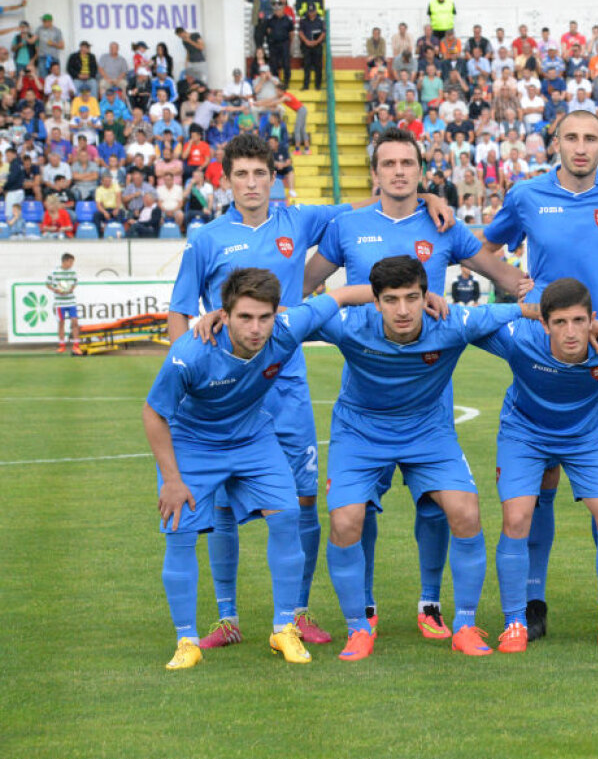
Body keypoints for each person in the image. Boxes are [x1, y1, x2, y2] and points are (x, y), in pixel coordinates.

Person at [167, 134, 392, 649]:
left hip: (285, 385)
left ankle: (296, 613)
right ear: (225, 181)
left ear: (274, 179)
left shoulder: (298, 221)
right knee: (223, 503)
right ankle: (227, 618)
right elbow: (180, 309)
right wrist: (185, 372)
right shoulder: (206, 239)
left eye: (260, 174)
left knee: (302, 499)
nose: (251, 184)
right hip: (225, 388)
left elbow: (361, 206)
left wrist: (427, 201)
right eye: (241, 175)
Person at [302, 127, 517, 637]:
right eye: (389, 164)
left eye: (408, 164)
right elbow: (303, 286)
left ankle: (430, 604)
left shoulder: (444, 225)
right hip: (369, 382)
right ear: (375, 174)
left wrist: (563, 305)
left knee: (438, 504)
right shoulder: (347, 225)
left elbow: (506, 279)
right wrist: (361, 295)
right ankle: (367, 609)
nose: (399, 171)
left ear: (421, 172)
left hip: (429, 388)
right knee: (358, 507)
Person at [480, 110, 598, 641]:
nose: (581, 147)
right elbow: (484, 246)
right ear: (556, 143)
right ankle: (532, 599)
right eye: (572, 137)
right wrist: (515, 286)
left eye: (591, 138)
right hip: (547, 346)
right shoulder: (526, 195)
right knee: (538, 482)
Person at [145, 267, 371, 670]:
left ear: (275, 314)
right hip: (194, 444)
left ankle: (283, 628)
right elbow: (153, 413)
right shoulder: (190, 353)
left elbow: (341, 296)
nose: (256, 328)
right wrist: (173, 480)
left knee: (287, 516)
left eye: (263, 317)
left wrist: (419, 296)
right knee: (180, 532)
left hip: (252, 437)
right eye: (245, 317)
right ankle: (186, 641)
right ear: (224, 314)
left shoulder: (285, 329)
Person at [315, 256, 537, 660]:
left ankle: (466, 625)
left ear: (426, 296)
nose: (403, 310)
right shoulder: (350, 327)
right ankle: (358, 628)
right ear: (376, 302)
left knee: (466, 511)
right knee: (346, 520)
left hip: (426, 431)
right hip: (360, 431)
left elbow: (518, 310)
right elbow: (286, 319)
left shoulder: (451, 324)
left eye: (412, 298)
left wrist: (545, 309)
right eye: (392, 300)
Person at [476, 278, 598, 652]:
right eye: (559, 323)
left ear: (592, 318)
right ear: (543, 324)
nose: (571, 332)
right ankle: (514, 622)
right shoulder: (519, 340)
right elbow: (470, 321)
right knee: (516, 518)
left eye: (579, 320)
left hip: (585, 436)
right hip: (524, 433)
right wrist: (520, 308)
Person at [46, 252, 81, 355]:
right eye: (70, 262)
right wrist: (56, 290)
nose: (71, 264)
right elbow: (47, 284)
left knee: (75, 322)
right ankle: (62, 345)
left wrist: (71, 289)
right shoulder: (54, 272)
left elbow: (75, 283)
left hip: (71, 301)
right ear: (65, 261)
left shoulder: (73, 272)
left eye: (72, 262)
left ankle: (76, 346)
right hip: (60, 303)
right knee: (61, 323)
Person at [297, 6, 325, 91]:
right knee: (306, 66)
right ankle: (306, 86)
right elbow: (300, 32)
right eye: (310, 12)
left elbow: (323, 33)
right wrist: (306, 41)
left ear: (316, 11)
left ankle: (318, 86)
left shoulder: (320, 21)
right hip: (306, 46)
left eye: (313, 11)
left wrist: (316, 42)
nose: (311, 13)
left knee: (318, 66)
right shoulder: (303, 21)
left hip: (317, 46)